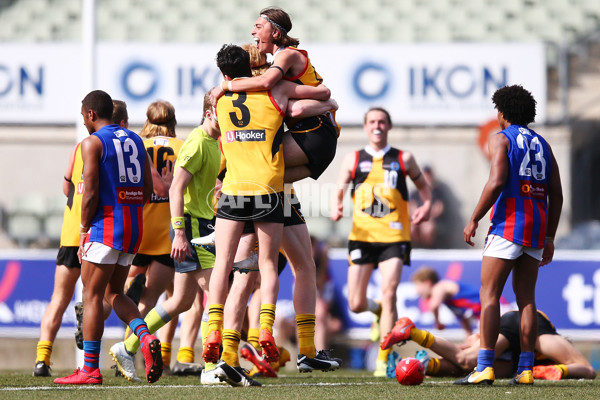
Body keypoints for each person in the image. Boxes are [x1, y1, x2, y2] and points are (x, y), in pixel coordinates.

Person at [203, 44, 337, 387]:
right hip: (269, 190)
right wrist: (329, 106)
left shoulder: (218, 96)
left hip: (239, 188)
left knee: (291, 264)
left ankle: (225, 339)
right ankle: (246, 344)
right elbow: (317, 100)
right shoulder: (274, 92)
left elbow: (212, 132)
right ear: (255, 65)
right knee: (256, 272)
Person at [109, 92, 220, 384]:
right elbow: (173, 187)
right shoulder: (186, 144)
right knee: (213, 293)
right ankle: (212, 365)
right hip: (176, 228)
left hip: (137, 227)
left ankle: (128, 345)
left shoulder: (136, 146)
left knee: (181, 299)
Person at [54, 90, 161, 385]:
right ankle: (147, 336)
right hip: (133, 228)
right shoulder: (136, 139)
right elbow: (150, 186)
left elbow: (88, 193)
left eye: (83, 117)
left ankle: (89, 369)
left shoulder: (92, 143)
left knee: (91, 296)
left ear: (91, 114)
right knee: (115, 294)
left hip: (105, 228)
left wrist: (84, 229)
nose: (84, 123)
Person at [331, 107, 432, 377]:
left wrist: (427, 205)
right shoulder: (353, 159)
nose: (377, 126)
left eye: (382, 122)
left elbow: (424, 188)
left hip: (394, 235)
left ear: (389, 126)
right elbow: (339, 188)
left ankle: (382, 360)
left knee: (390, 293)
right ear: (365, 127)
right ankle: (375, 310)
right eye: (372, 121)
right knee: (355, 303)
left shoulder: (403, 158)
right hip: (362, 236)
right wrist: (337, 206)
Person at [34, 99, 128, 377]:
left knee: (59, 297)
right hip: (98, 232)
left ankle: (42, 358)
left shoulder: (81, 147)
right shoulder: (109, 147)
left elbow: (67, 187)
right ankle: (88, 339)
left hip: (71, 232)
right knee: (104, 295)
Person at [211, 7, 339, 183]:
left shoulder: (286, 55)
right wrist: (327, 103)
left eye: (258, 26)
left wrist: (226, 85)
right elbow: (322, 93)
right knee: (262, 179)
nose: (252, 31)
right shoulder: (282, 59)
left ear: (276, 33)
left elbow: (266, 83)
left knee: (255, 164)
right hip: (317, 136)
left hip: (313, 131)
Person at [381, 312, 596, 381]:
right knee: (470, 361)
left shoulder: (537, 354)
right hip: (518, 326)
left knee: (469, 368)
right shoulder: (547, 339)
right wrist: (559, 370)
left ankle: (422, 366)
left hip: (515, 356)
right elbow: (588, 369)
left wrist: (549, 371)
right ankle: (413, 332)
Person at [411, 266, 481, 335]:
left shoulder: (440, 287)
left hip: (486, 309)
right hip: (482, 314)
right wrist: (468, 337)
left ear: (428, 283)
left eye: (418, 285)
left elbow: (434, 305)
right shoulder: (448, 300)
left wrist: (438, 322)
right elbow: (463, 318)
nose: (417, 291)